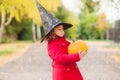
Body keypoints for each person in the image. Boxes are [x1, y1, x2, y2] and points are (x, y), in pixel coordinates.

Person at [35, 0, 87, 80]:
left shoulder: (64, 40)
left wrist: (77, 49)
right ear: (52, 31)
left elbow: (70, 50)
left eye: (62, 29)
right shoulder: (52, 44)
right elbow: (60, 57)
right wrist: (77, 56)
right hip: (63, 74)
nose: (62, 31)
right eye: (59, 29)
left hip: (72, 70)